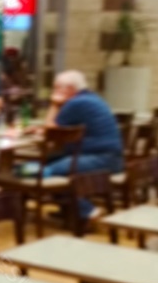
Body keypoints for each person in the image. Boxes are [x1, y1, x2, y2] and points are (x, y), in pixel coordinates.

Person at [39, 70, 124, 222]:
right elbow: (64, 130)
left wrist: (54, 104)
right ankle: (69, 211)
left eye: (56, 88)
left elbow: (50, 133)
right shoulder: (92, 98)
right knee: (51, 160)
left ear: (69, 89)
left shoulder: (75, 103)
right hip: (112, 158)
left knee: (46, 171)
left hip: (100, 160)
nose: (53, 92)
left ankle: (88, 211)